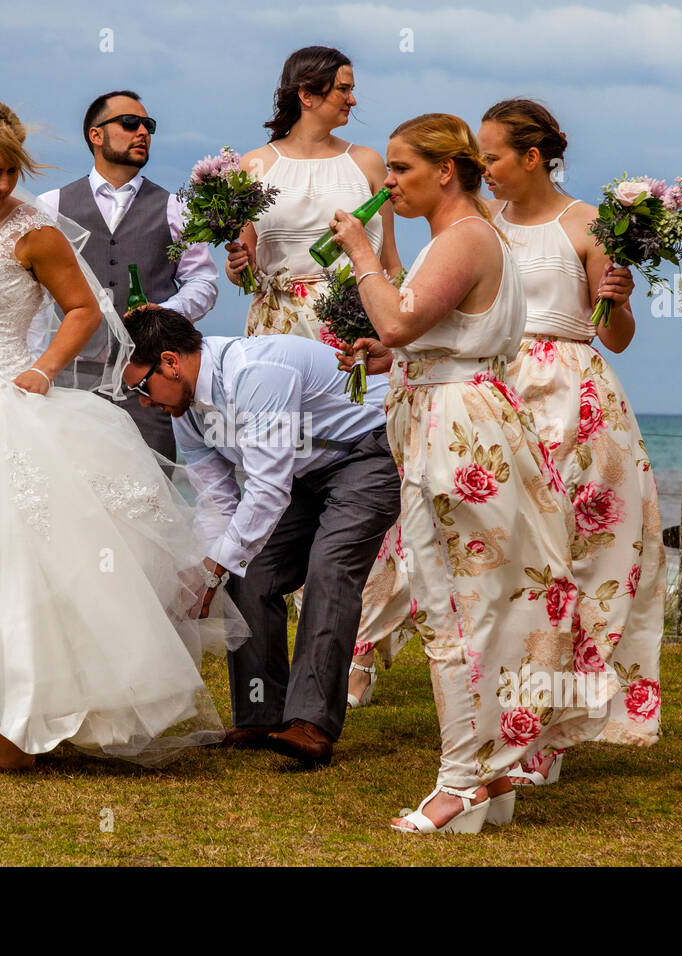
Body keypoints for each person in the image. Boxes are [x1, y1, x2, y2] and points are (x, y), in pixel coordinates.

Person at [0, 96, 243, 772]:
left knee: (11, 572)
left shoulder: (32, 229)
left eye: (11, 173)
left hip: (4, 410)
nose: (3, 186)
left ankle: (23, 731)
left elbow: (80, 308)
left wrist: (42, 370)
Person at [330, 113, 614, 833]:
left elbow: (399, 318)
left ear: (444, 171)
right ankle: (492, 777)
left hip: (456, 434)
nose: (387, 183)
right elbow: (423, 338)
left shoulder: (463, 237)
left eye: (400, 170)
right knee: (480, 601)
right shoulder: (463, 238)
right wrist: (388, 357)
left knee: (452, 605)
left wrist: (363, 255)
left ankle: (460, 781)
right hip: (458, 414)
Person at [475, 99, 665, 785]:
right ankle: (503, 720)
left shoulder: (586, 223)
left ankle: (552, 733)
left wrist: (618, 295)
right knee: (506, 562)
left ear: (531, 157)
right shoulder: (479, 223)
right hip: (493, 395)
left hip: (573, 398)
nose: (482, 168)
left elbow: (615, 335)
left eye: (491, 155)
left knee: (581, 564)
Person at [119, 306, 401, 767]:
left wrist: (215, 567)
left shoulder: (257, 373)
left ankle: (311, 725)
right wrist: (208, 567)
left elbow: (267, 490)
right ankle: (261, 716)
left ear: (170, 362)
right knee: (248, 571)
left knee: (329, 566)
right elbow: (218, 501)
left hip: (367, 453)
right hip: (304, 475)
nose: (143, 402)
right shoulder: (185, 410)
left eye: (140, 387)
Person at [225, 45, 408, 710]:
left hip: (349, 326)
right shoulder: (253, 166)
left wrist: (400, 332)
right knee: (279, 482)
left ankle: (353, 652)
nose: (353, 100)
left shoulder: (364, 164)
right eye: (343, 88)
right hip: (274, 325)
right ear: (307, 91)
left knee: (361, 475)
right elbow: (243, 268)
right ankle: (275, 669)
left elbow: (386, 259)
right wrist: (238, 263)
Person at [29, 90, 219, 462]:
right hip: (70, 381)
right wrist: (37, 367)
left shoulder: (174, 208)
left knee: (149, 499)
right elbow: (34, 298)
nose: (142, 132)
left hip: (149, 383)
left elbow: (204, 283)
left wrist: (164, 311)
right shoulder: (50, 207)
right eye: (130, 123)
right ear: (95, 135)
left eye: (148, 126)